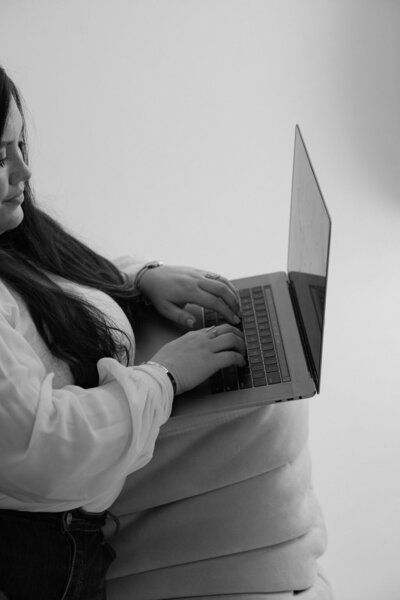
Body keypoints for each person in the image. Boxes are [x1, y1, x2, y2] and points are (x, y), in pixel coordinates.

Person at [0, 65, 247, 600]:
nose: (24, 170)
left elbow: (49, 285)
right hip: (40, 558)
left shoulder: (12, 235)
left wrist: (138, 280)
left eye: (21, 145)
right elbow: (41, 446)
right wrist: (166, 377)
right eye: (0, 156)